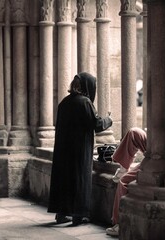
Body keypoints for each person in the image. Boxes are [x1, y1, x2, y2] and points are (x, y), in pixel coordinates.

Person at [48, 72, 113, 226]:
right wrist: (108, 119)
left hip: (64, 150)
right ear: (88, 87)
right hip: (79, 149)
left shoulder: (64, 103)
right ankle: (79, 214)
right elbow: (96, 125)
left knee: (65, 180)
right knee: (80, 179)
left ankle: (62, 213)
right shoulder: (84, 102)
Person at [106, 127, 147, 236]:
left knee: (123, 181)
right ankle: (124, 166)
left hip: (162, 157)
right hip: (157, 147)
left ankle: (120, 224)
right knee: (134, 132)